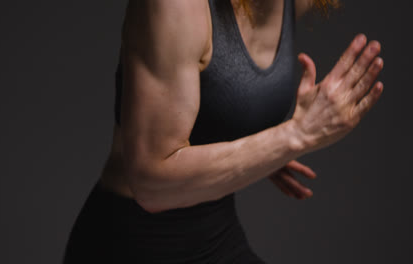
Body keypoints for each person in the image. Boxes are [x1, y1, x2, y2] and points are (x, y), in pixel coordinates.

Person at [62, 0, 384, 263]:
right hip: (130, 246)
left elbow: (223, 100)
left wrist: (265, 148)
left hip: (215, 238)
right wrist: (295, 136)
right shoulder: (177, 6)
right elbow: (151, 182)